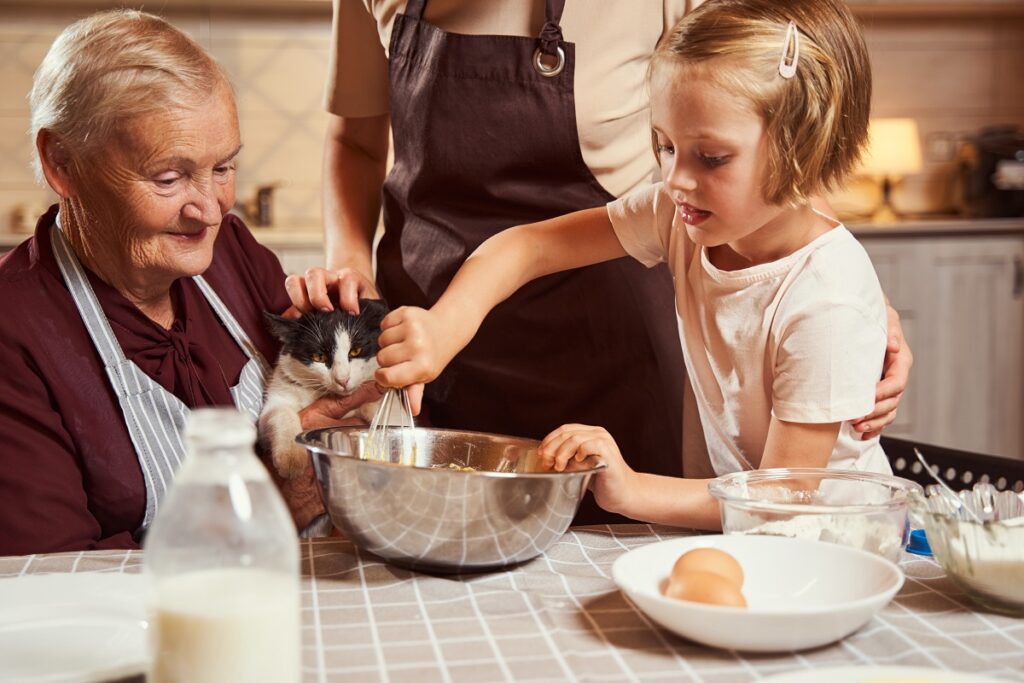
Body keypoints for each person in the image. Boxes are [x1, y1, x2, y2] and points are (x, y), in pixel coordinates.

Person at [306, 0, 912, 522]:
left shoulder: (815, 294)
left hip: (817, 544)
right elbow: (527, 243)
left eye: (708, 157)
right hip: (447, 330)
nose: (674, 178)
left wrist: (860, 308)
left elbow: (784, 503)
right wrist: (442, 327)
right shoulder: (681, 216)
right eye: (663, 146)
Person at [0, 10, 374, 556]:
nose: (209, 211)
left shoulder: (234, 255)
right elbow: (54, 579)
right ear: (62, 163)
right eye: (169, 178)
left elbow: (361, 431)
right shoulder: (16, 333)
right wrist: (274, 496)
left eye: (223, 168)